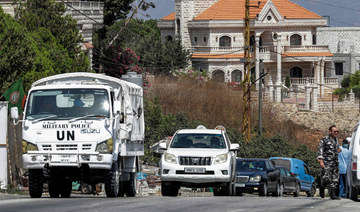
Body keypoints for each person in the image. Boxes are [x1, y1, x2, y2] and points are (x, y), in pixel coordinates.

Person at [317, 125, 341, 200]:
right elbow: (320, 150)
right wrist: (321, 161)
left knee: (335, 179)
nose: (336, 133)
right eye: (334, 131)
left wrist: (339, 150)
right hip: (327, 162)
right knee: (326, 178)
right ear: (330, 131)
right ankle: (322, 187)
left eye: (337, 131)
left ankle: (333, 195)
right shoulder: (324, 139)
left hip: (335, 162)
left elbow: (337, 148)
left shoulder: (336, 140)